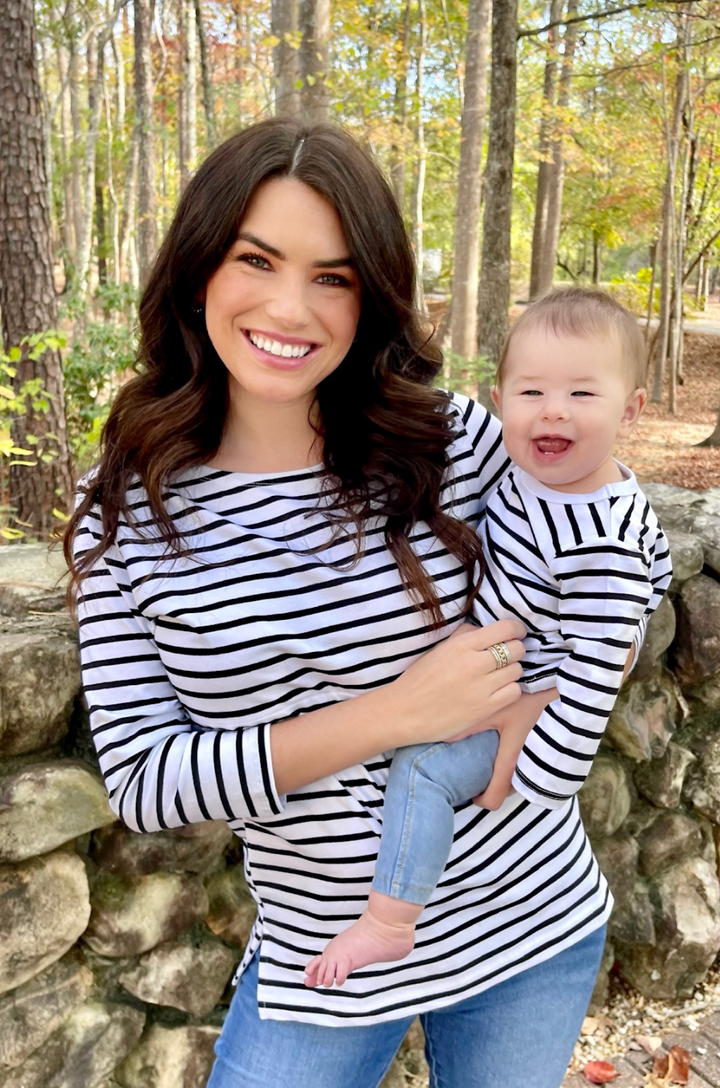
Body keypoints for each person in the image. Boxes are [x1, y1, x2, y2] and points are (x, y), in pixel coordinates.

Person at [65, 118, 620, 1088]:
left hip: (530, 914)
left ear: (372, 296)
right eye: (257, 258)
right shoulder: (123, 505)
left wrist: (554, 701)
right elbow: (148, 781)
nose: (292, 304)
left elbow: (606, 554)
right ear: (201, 267)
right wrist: (394, 716)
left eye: (333, 275)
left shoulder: (453, 440)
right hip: (324, 951)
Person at [305, 287, 672, 992]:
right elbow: (654, 572)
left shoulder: (600, 537)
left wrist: (536, 776)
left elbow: (601, 663)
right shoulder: (531, 476)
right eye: (531, 390)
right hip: (503, 680)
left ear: (631, 409)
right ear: (498, 400)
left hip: (529, 711)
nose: (553, 409)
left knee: (422, 770)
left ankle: (388, 920)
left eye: (582, 394)